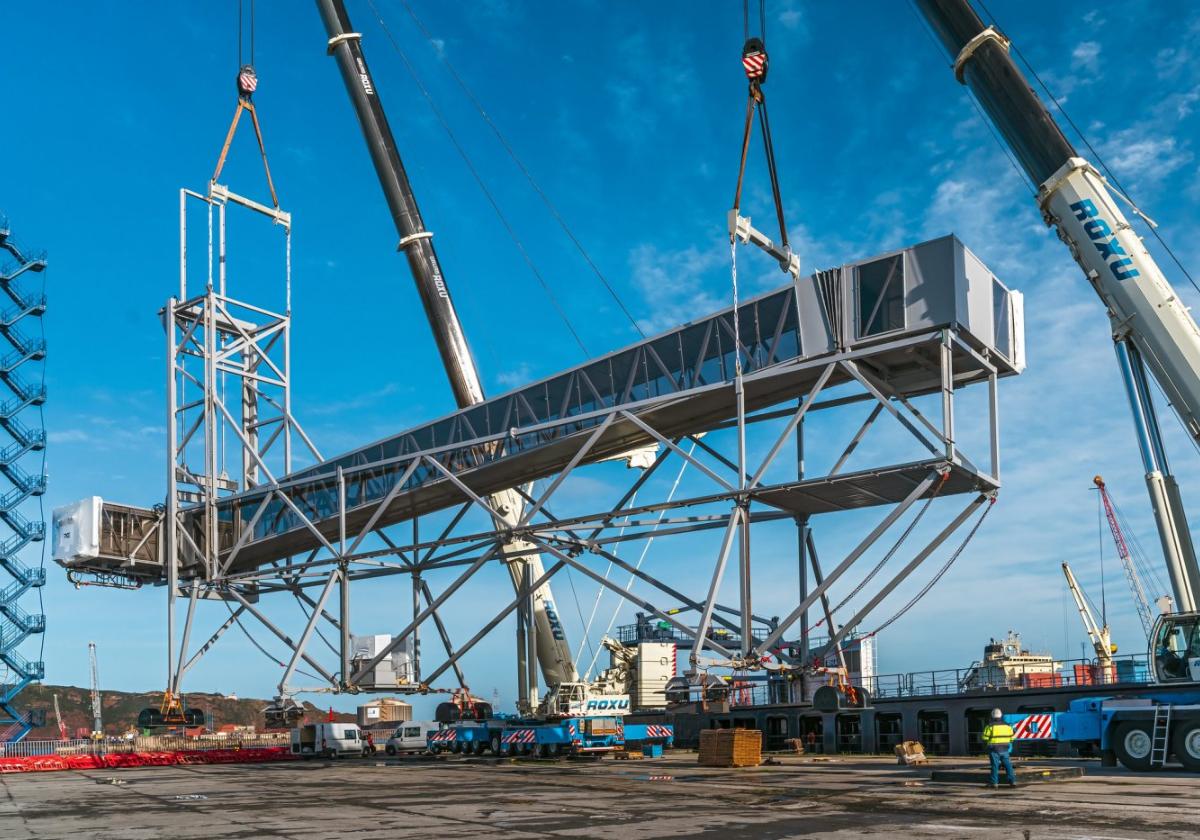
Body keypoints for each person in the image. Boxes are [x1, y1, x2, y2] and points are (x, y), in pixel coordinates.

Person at [981, 708, 1017, 788]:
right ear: (1001, 716)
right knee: (1008, 765)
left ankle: (994, 783)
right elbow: (1012, 738)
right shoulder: (1008, 726)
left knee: (995, 766)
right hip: (1005, 749)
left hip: (994, 749)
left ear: (992, 716)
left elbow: (984, 738)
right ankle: (1012, 781)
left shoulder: (990, 726)